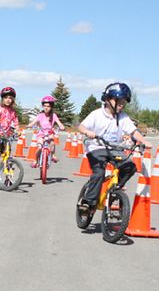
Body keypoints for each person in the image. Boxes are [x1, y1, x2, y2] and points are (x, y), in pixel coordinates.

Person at [77, 82, 151, 211]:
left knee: (130, 167)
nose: (122, 106)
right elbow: (81, 126)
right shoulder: (97, 114)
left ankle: (115, 191)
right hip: (96, 148)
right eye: (119, 102)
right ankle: (88, 202)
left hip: (114, 149)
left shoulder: (123, 117)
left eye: (124, 103)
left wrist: (143, 141)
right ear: (108, 100)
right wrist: (87, 132)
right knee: (99, 172)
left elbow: (134, 132)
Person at [27, 95, 65, 167]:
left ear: (51, 107)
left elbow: (59, 122)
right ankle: (35, 160)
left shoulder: (53, 116)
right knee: (39, 147)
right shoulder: (40, 115)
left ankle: (53, 155)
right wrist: (30, 125)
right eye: (44, 106)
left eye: (48, 106)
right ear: (42, 106)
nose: (46, 108)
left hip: (50, 133)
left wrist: (61, 126)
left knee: (52, 143)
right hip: (41, 134)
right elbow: (34, 122)